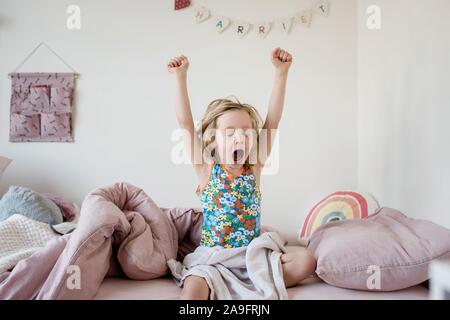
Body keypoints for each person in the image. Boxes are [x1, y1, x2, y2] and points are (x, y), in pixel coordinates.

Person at [167, 48, 316, 299]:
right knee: (192, 291)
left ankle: (254, 282)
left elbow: (273, 122)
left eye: (247, 132)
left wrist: (281, 73)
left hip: (250, 258)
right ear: (213, 141)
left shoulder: (254, 167)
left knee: (307, 261)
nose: (241, 137)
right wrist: (180, 77)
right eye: (231, 132)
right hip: (213, 260)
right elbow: (185, 123)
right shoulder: (206, 170)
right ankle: (223, 285)